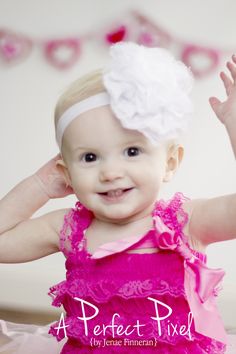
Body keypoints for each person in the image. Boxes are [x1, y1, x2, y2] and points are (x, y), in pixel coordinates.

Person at [0, 42, 235, 354]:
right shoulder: (68, 229)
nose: (110, 172)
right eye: (90, 157)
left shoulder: (185, 222)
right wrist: (39, 185)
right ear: (66, 172)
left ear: (169, 163)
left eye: (132, 151)